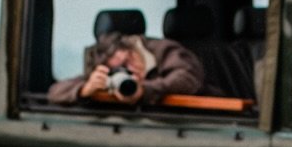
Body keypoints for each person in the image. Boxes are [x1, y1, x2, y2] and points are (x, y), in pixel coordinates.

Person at [48, 30, 205, 106]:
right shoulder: (106, 71)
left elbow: (188, 78)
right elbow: (55, 92)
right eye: (121, 68)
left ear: (132, 48)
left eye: (129, 60)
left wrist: (144, 90)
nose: (131, 68)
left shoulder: (163, 50)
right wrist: (85, 89)